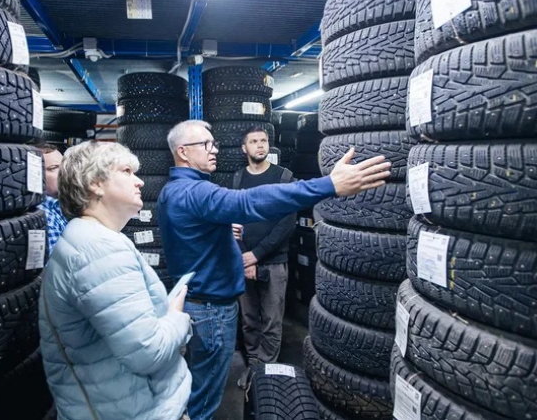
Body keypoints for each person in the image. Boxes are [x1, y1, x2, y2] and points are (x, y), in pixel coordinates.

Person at [157, 120, 391, 420]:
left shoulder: (174, 190)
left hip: (200, 303)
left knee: (198, 386)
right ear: (183, 152)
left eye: (213, 143)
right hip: (211, 311)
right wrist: (328, 185)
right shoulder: (195, 192)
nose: (214, 149)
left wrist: (224, 233)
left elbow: (190, 238)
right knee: (204, 400)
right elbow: (250, 201)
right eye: (205, 144)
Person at [39, 141, 192, 420]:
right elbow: (148, 351)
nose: (140, 182)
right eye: (127, 171)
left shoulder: (98, 239)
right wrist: (177, 317)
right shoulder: (98, 250)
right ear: (96, 184)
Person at [230, 126, 295, 388]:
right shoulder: (236, 180)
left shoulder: (283, 177)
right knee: (248, 319)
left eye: (264, 141)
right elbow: (233, 218)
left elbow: (286, 223)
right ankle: (254, 364)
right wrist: (244, 256)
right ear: (244, 148)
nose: (260, 145)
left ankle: (264, 372)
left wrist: (255, 255)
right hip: (243, 261)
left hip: (274, 261)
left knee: (271, 320)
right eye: (254, 142)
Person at [36, 143, 68, 257]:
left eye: (64, 165)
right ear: (36, 176)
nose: (64, 172)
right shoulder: (43, 218)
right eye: (54, 168)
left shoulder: (61, 205)